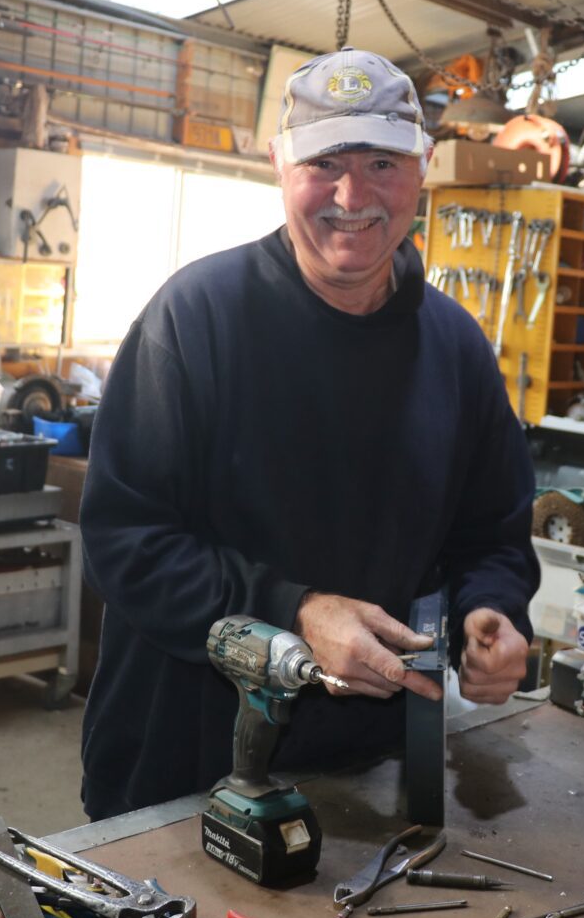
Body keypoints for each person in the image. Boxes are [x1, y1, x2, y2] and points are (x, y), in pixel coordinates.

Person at [79, 47, 540, 821]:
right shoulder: (193, 321)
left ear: (423, 169)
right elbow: (128, 540)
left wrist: (489, 610)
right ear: (278, 164)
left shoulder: (456, 349)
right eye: (325, 162)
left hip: (369, 769)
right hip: (183, 767)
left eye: (382, 164)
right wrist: (292, 612)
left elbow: (490, 531)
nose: (353, 195)